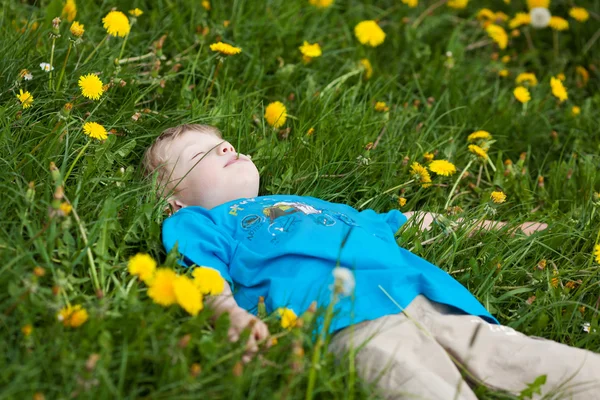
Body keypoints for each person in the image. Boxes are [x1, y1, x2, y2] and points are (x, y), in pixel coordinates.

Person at [142, 123, 600, 399]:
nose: (225, 147)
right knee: (413, 381)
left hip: (428, 295)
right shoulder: (203, 223)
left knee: (520, 356)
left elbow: (406, 221)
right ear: (173, 201)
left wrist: (500, 229)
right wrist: (227, 313)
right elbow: (198, 270)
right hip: (343, 319)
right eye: (201, 152)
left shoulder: (314, 205)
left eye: (224, 143)